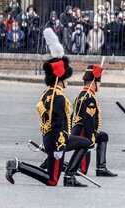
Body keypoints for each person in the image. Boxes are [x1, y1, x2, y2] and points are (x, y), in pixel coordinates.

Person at [5, 28, 91, 187]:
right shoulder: (57, 97)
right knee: (52, 180)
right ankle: (18, 166)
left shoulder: (48, 93)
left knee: (85, 142)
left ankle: (70, 175)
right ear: (60, 79)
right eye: (66, 78)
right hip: (57, 140)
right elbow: (57, 123)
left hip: (55, 138)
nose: (68, 81)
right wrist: (59, 146)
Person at [71, 65, 117, 177]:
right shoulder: (89, 98)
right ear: (93, 82)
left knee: (103, 136)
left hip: (80, 128)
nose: (100, 84)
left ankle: (101, 167)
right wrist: (91, 137)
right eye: (98, 81)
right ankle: (73, 168)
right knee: (82, 171)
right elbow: (88, 120)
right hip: (84, 131)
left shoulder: (82, 95)